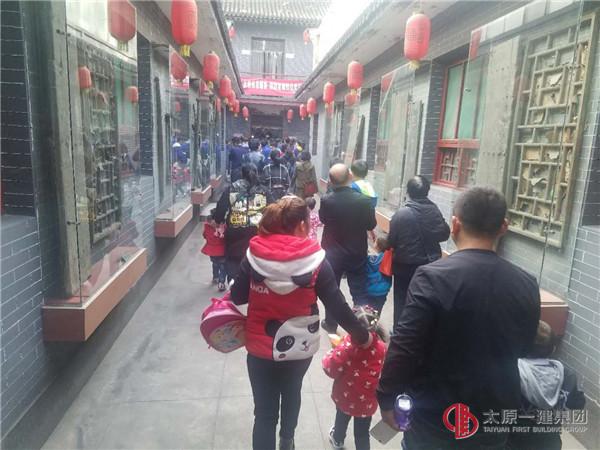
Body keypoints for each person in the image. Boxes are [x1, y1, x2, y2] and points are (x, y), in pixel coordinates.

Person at [377, 186, 541, 450]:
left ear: (455, 224)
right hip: (495, 413)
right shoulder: (526, 283)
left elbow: (406, 346)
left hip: (436, 413)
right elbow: (525, 346)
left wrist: (387, 397)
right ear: (503, 227)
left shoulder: (431, 277)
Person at [230, 196, 372, 450]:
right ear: (302, 225)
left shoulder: (254, 254)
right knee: (292, 390)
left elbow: (238, 296)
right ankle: (287, 440)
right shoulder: (315, 261)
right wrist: (363, 336)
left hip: (260, 349)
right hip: (299, 347)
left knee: (264, 413)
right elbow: (337, 306)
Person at [507, 320, 585, 450]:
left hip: (515, 442)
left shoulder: (512, 372)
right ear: (553, 349)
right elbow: (577, 404)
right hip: (550, 443)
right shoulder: (567, 375)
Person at [320, 164, 377, 333]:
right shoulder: (363, 201)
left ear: (331, 181)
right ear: (350, 177)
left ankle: (331, 324)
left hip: (332, 253)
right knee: (359, 291)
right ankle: (363, 326)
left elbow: (323, 220)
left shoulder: (326, 200)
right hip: (356, 252)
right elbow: (371, 224)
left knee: (332, 289)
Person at [387, 175, 450, 328]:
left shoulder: (401, 214)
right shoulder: (434, 210)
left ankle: (399, 331)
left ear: (408, 192)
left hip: (404, 267)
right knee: (424, 301)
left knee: (402, 301)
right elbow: (444, 234)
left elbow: (391, 241)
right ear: (427, 191)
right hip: (429, 265)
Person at [323, 306, 387, 450]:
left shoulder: (345, 348)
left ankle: (337, 440)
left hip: (345, 397)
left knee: (341, 420)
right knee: (362, 433)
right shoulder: (382, 348)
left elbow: (330, 369)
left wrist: (332, 352)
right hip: (367, 401)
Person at [214, 163, 268, 279]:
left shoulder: (231, 188)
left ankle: (234, 282)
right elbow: (273, 209)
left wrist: (218, 220)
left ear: (242, 174)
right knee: (256, 260)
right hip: (257, 232)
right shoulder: (263, 190)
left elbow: (221, 209)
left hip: (235, 232)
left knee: (233, 261)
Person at [364, 237, 392, 315]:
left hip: (369, 290)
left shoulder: (368, 259)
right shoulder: (388, 260)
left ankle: (366, 321)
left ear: (377, 246)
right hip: (382, 291)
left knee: (367, 311)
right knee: (376, 312)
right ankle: (374, 321)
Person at [201, 208, 226, 291]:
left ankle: (215, 277)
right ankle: (221, 282)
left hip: (211, 250)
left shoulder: (207, 226)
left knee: (215, 264)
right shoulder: (223, 226)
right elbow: (226, 238)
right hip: (222, 250)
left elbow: (204, 235)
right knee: (223, 266)